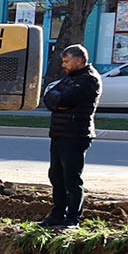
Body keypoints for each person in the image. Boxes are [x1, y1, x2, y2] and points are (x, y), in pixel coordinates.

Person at [41, 44, 102, 229]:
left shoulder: (89, 80)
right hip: (59, 134)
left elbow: (64, 100)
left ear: (79, 60)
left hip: (76, 135)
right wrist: (56, 100)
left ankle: (73, 219)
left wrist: (58, 100)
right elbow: (49, 96)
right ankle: (58, 215)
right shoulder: (70, 78)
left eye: (66, 61)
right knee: (56, 177)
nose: (63, 65)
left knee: (72, 179)